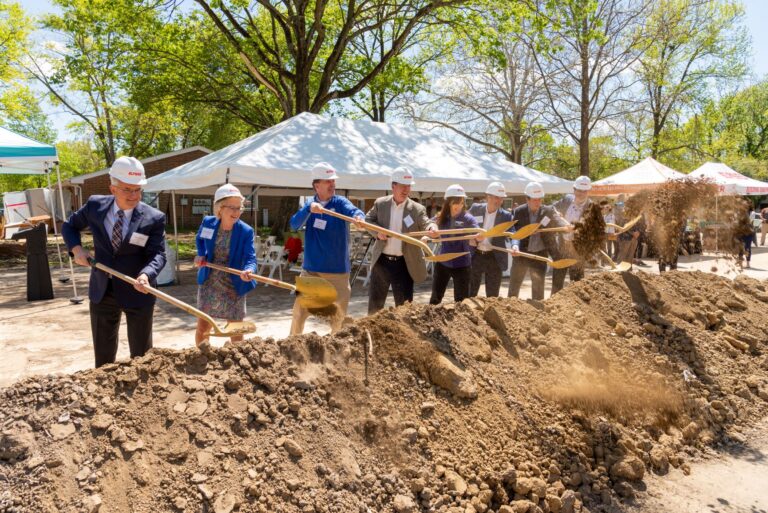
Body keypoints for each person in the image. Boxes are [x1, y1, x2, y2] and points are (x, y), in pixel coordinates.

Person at [62, 156, 166, 368]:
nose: (134, 195)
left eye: (138, 190)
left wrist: (146, 274)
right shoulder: (95, 206)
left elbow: (158, 254)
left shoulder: (154, 218)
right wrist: (76, 249)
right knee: (103, 354)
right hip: (103, 289)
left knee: (142, 355)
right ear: (113, 188)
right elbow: (69, 226)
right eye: (127, 189)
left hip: (138, 290)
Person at [289, 162, 364, 335]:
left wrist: (359, 218)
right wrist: (309, 209)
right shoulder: (309, 205)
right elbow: (294, 225)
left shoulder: (340, 203)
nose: (332, 184)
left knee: (338, 318)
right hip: (312, 271)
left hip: (337, 272)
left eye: (333, 181)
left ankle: (336, 350)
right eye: (328, 181)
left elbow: (354, 211)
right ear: (317, 185)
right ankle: (291, 345)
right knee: (299, 313)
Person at [365, 167, 437, 314]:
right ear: (393, 186)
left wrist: (432, 228)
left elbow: (427, 222)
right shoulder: (381, 204)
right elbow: (368, 220)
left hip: (404, 263)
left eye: (409, 186)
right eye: (403, 186)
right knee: (375, 305)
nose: (406, 189)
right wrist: (377, 232)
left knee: (404, 308)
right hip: (381, 261)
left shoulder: (417, 209)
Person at [193, 184, 257, 346]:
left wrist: (249, 269)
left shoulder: (245, 231)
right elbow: (199, 239)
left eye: (239, 208)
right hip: (210, 281)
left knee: (236, 329)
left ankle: (238, 360)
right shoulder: (208, 222)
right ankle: (202, 356)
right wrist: (201, 254)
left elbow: (250, 257)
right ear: (220, 208)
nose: (237, 212)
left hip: (233, 283)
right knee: (203, 326)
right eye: (232, 208)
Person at [507, 182, 567, 300]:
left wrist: (565, 227)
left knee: (538, 287)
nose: (537, 202)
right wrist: (515, 245)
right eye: (534, 200)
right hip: (522, 254)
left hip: (540, 254)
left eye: (539, 199)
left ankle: (538, 312)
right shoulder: (519, 211)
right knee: (514, 286)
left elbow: (557, 219)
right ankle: (510, 308)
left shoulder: (548, 211)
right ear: (527, 199)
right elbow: (514, 230)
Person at [429, 184, 478, 304]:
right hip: (443, 262)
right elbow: (430, 225)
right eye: (456, 202)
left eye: (461, 202)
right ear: (448, 202)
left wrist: (478, 236)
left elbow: (477, 231)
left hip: (462, 264)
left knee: (461, 301)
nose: (459, 206)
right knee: (435, 299)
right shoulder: (441, 217)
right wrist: (431, 231)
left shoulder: (468, 218)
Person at [468, 181, 513, 297]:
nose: (499, 201)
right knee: (470, 290)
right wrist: (471, 237)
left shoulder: (506, 216)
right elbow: (466, 225)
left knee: (492, 295)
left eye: (501, 198)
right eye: (496, 197)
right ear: (488, 196)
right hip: (476, 255)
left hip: (494, 257)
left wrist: (515, 245)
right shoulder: (475, 209)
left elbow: (513, 233)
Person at [552, 175, 593, 288]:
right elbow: (552, 209)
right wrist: (560, 219)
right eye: (579, 190)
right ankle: (554, 303)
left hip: (578, 250)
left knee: (577, 283)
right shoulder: (567, 200)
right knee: (557, 281)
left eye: (584, 191)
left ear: (588, 191)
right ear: (574, 189)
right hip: (562, 247)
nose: (581, 193)